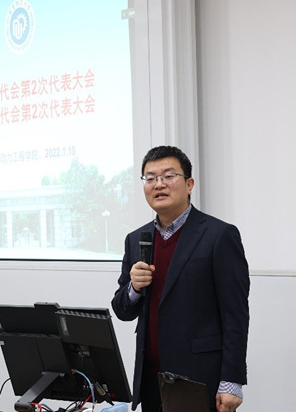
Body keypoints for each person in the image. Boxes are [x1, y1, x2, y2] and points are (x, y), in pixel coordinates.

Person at [111, 145, 250, 412]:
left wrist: (232, 381)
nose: (158, 184)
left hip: (200, 379)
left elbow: (235, 314)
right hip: (151, 379)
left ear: (189, 184)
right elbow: (122, 310)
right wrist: (134, 288)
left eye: (168, 176)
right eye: (150, 178)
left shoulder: (219, 235)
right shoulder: (136, 239)